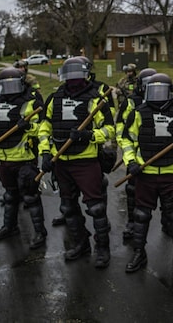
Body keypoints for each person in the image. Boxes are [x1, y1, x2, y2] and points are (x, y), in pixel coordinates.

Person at [38, 56, 115, 268]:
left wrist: (89, 135)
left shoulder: (96, 99)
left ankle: (102, 248)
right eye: (69, 76)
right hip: (61, 162)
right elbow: (44, 128)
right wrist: (45, 153)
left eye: (76, 75)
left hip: (86, 162)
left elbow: (110, 129)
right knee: (68, 207)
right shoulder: (55, 98)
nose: (72, 80)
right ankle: (81, 243)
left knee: (96, 208)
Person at [120, 72, 173, 273]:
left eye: (161, 91)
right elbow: (127, 139)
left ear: (170, 91)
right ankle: (139, 252)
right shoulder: (138, 112)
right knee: (141, 215)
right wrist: (130, 163)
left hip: (171, 174)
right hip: (145, 174)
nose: (157, 95)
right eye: (153, 91)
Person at [0, 67, 47, 249]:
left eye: (13, 84)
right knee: (10, 195)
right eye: (5, 85)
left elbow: (41, 128)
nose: (10, 89)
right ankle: (10, 227)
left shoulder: (31, 103)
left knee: (31, 196)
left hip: (25, 158)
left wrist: (27, 127)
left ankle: (40, 232)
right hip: (2, 159)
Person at [116, 67, 157, 240]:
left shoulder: (165, 102)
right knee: (132, 190)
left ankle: (169, 223)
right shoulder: (131, 103)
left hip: (161, 154)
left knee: (168, 195)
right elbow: (121, 130)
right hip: (137, 156)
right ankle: (132, 222)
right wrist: (130, 156)